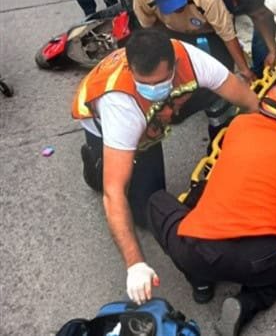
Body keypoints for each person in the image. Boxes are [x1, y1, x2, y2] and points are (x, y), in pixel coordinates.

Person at [70, 29, 260, 306]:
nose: (154, 88)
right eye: (147, 84)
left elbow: (245, 97)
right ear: (130, 68)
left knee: (217, 97)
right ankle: (95, 165)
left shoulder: (191, 59)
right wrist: (135, 264)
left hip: (154, 111)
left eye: (161, 82)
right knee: (146, 209)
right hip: (108, 125)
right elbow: (114, 192)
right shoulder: (120, 106)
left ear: (175, 65)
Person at [147, 83, 276, 334]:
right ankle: (246, 303)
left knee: (157, 202)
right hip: (260, 256)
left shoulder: (239, 125)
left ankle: (199, 282)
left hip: (197, 248)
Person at [133, 0, 255, 81]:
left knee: (223, 63)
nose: (177, 9)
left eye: (177, 0)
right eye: (170, 4)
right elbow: (152, 30)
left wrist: (245, 70)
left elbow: (227, 34)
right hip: (174, 25)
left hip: (212, 8)